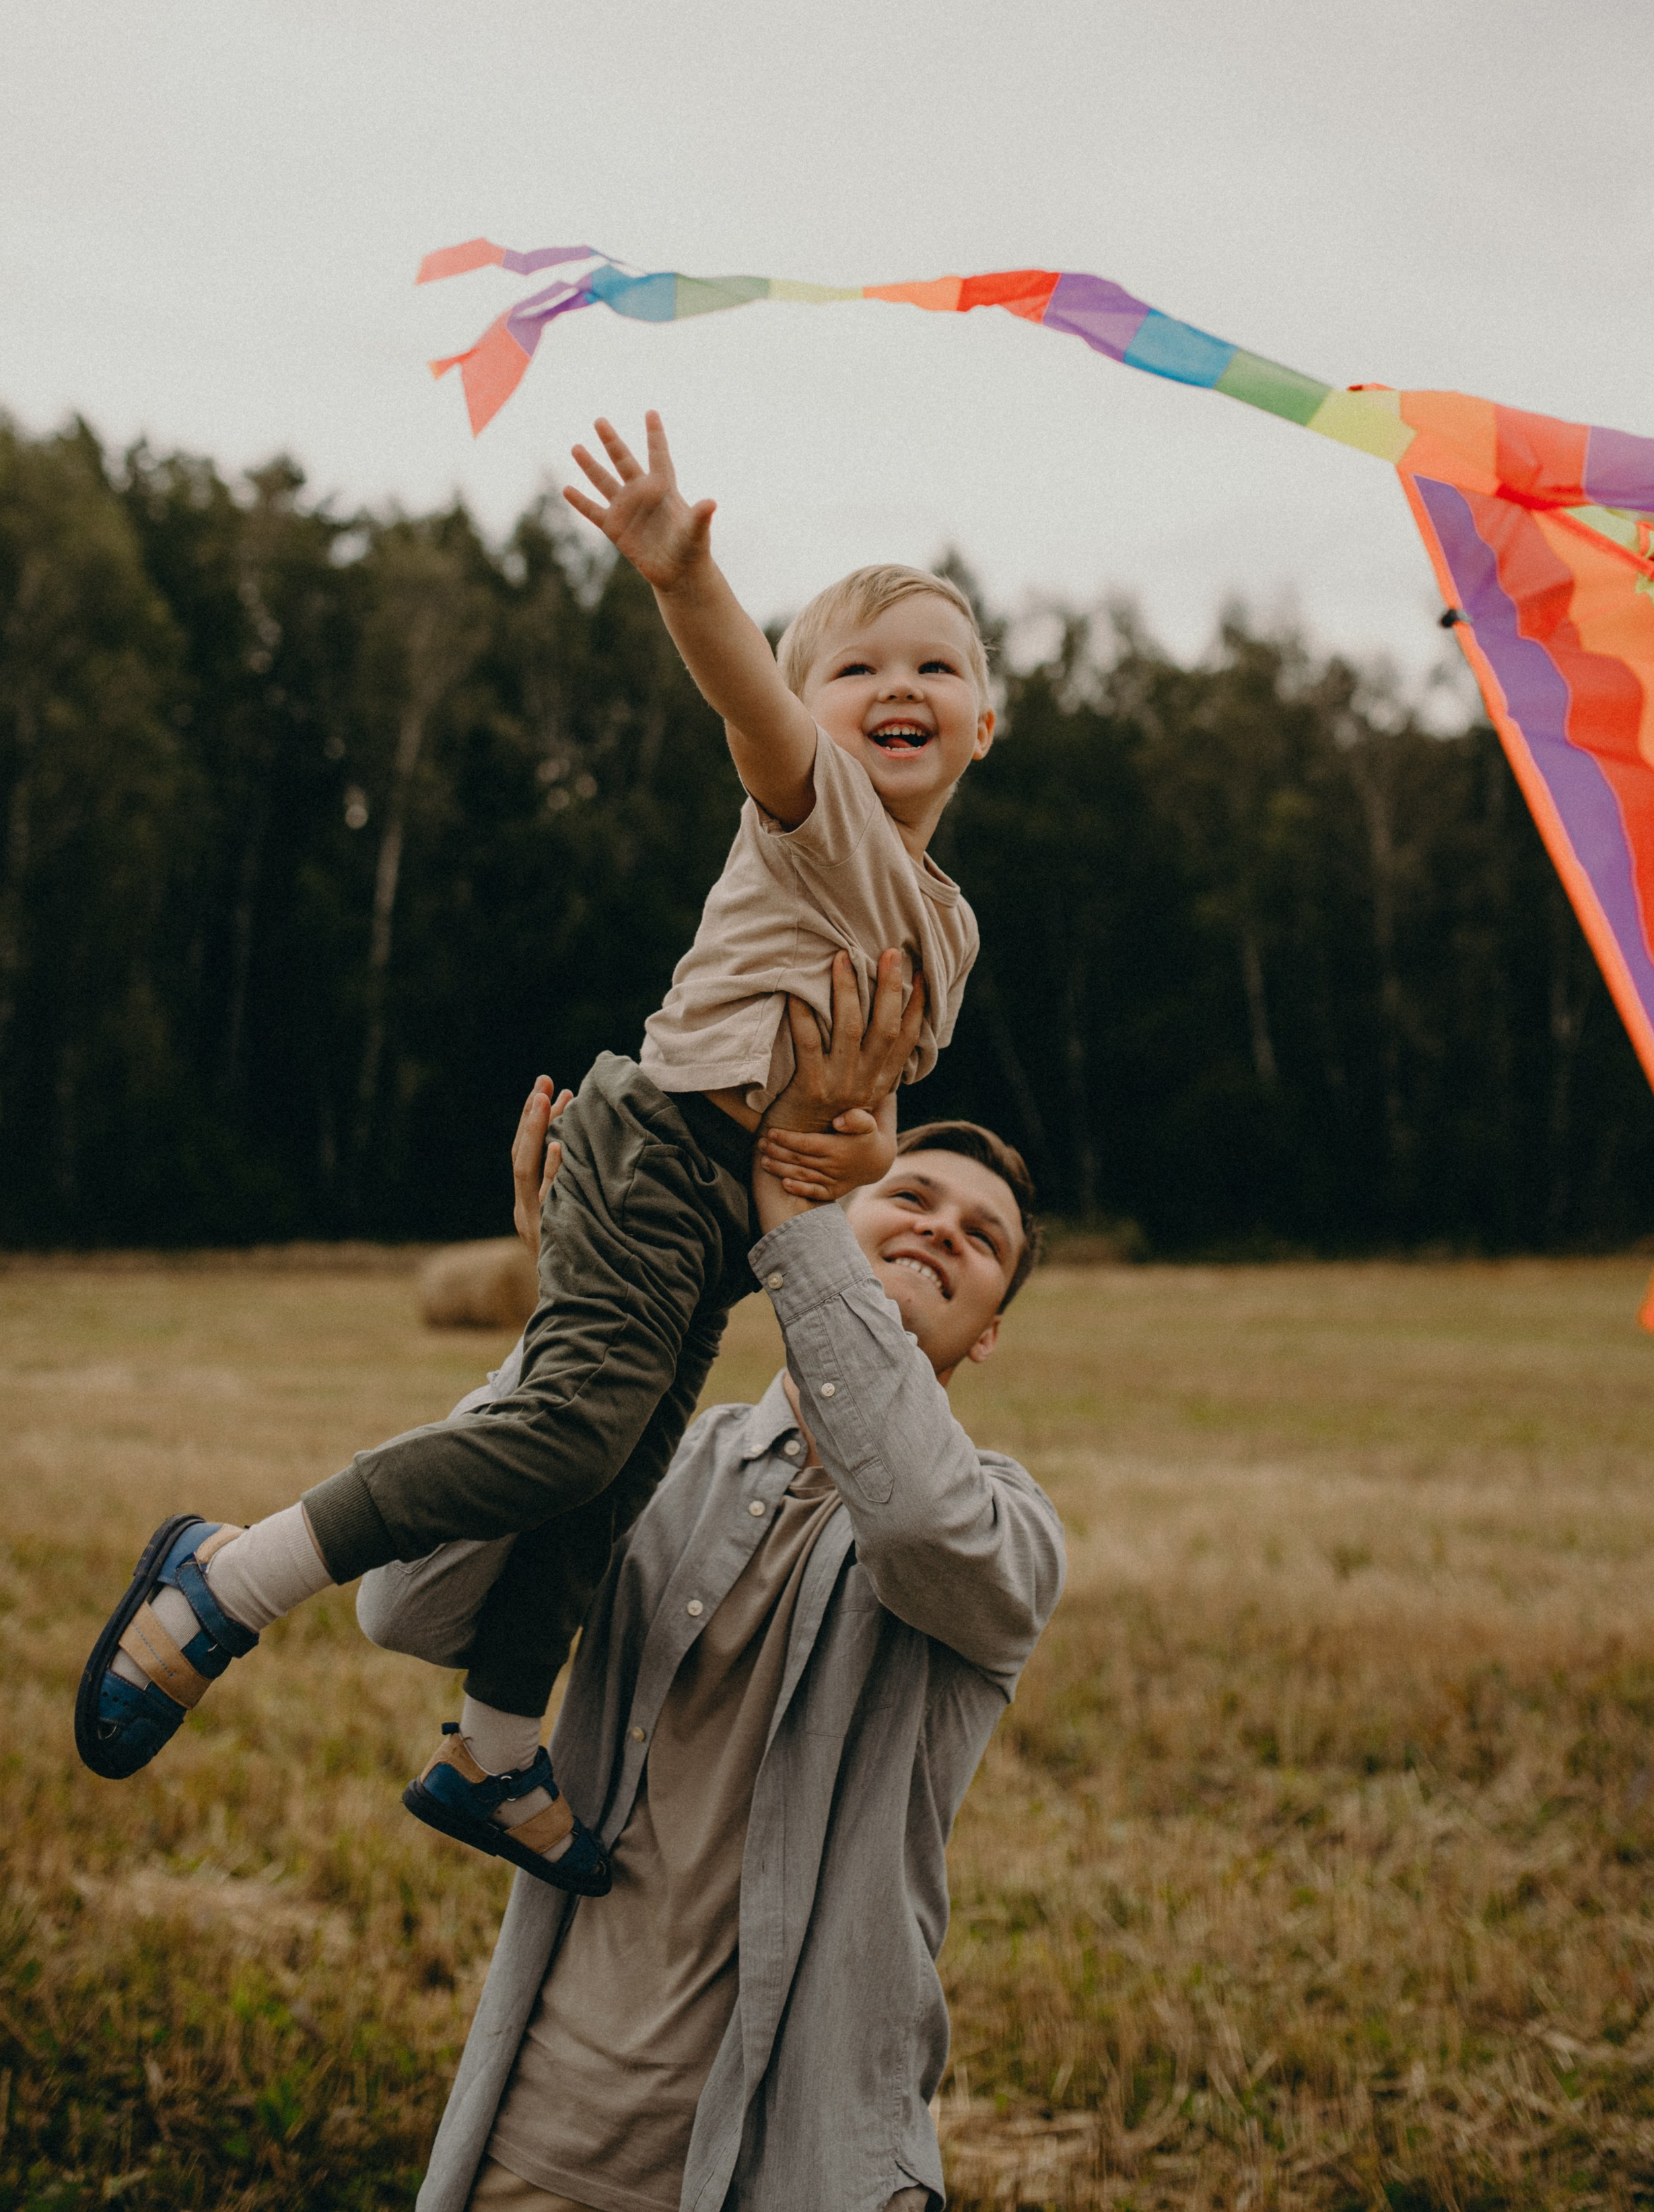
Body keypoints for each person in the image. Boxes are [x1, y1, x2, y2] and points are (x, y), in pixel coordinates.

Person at [76, 409, 998, 1902]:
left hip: (726, 1211)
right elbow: (749, 704)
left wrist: (863, 1142)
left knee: (606, 1487)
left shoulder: (947, 927)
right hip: (656, 1149)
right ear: (811, 709)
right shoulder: (815, 809)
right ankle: (225, 1578)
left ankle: (494, 1749)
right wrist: (682, 583)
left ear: (985, 722)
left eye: (934, 664)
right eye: (855, 666)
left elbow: (865, 1111)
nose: (896, 685)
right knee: (571, 1435)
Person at [377, 978, 1064, 2212]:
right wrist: (577, 1322)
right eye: (910, 1194)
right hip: (541, 2142)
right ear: (847, 1222)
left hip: (798, 2171)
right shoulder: (660, 1460)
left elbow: (906, 1507)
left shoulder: (1006, 1535)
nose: (942, 1232)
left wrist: (792, 1229)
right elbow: (407, 1605)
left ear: (991, 1333)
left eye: (984, 1238)